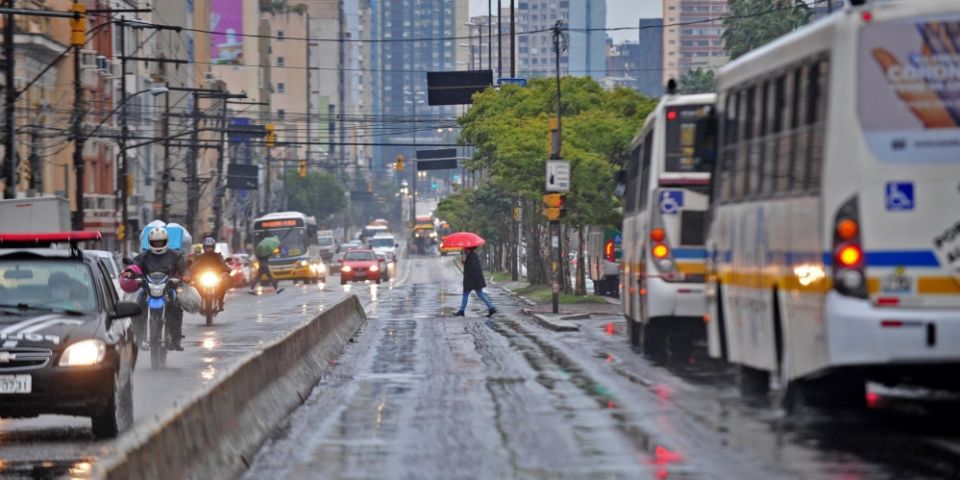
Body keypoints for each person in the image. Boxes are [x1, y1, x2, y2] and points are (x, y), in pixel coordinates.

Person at [127, 226, 189, 351]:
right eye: (156, 242)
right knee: (138, 305)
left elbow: (183, 266)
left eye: (161, 242)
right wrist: (130, 272)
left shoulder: (174, 255)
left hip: (168, 287)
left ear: (166, 241)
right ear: (150, 242)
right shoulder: (143, 256)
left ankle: (175, 338)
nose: (158, 244)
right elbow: (135, 266)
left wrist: (184, 274)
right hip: (147, 287)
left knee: (176, 307)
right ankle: (139, 336)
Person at [191, 236, 231, 311]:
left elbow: (224, 265)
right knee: (196, 285)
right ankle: (199, 301)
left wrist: (227, 269)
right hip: (203, 277)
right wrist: (193, 269)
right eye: (207, 247)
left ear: (213, 247)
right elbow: (194, 265)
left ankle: (220, 302)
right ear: (204, 247)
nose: (209, 249)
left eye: (210, 247)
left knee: (223, 285)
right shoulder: (201, 257)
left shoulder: (218, 256)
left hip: (216, 277)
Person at [454, 246, 496, 318]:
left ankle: (461, 311)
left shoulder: (472, 257)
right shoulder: (472, 256)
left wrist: (465, 264)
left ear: (468, 249)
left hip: (472, 280)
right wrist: (464, 263)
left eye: (465, 249)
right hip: (475, 280)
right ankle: (491, 307)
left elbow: (472, 269)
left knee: (466, 294)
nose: (464, 250)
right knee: (480, 294)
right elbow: (470, 267)